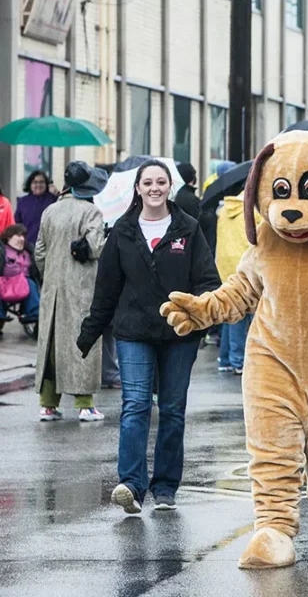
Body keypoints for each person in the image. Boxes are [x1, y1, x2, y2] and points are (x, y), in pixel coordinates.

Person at [77, 159, 220, 515]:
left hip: (179, 335)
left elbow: (207, 280)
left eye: (160, 182)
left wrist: (205, 317)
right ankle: (131, 485)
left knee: (172, 410)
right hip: (133, 331)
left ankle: (166, 487)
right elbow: (107, 288)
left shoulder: (188, 228)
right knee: (136, 405)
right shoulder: (123, 231)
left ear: (169, 187)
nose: (154, 188)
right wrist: (90, 332)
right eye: (148, 183)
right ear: (137, 189)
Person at [34, 162, 108, 422]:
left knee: (52, 345)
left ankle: (47, 404)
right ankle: (85, 405)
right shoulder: (92, 212)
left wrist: (52, 274)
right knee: (82, 342)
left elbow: (40, 252)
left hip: (52, 288)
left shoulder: (49, 211)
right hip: (82, 287)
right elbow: (95, 247)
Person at [214, 192, 260, 374]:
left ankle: (225, 358)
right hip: (244, 264)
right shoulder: (253, 210)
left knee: (229, 311)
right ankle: (238, 360)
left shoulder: (224, 210)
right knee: (240, 314)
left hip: (224, 265)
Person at [0, 224, 40, 324]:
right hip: (4, 282)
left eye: (23, 236)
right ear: (9, 237)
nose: (22, 239)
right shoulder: (2, 250)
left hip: (23, 283)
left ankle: (34, 313)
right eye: (18, 235)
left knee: (31, 284)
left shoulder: (28, 252)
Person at [15, 170, 58, 248]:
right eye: (35, 182)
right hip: (28, 245)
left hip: (49, 245)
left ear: (46, 184)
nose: (38, 185)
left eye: (41, 182)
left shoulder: (52, 199)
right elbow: (17, 224)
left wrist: (56, 194)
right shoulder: (22, 201)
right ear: (30, 184)